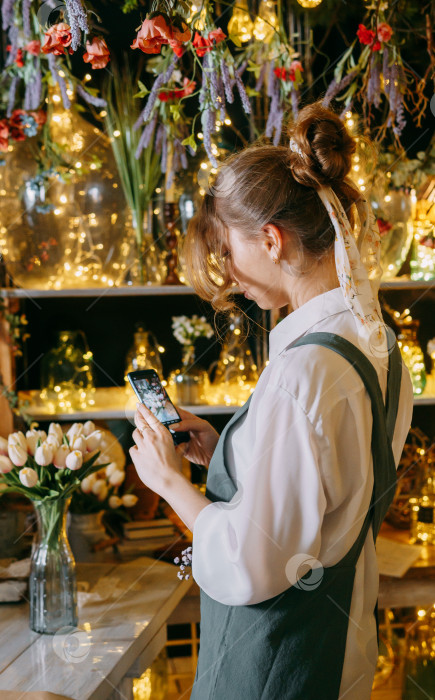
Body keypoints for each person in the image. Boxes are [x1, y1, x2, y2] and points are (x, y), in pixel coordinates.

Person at [129, 102, 413, 700]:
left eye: (228, 250)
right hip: (336, 648)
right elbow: (333, 497)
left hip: (273, 668)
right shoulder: (377, 343)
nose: (227, 273)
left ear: (271, 240)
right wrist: (224, 451)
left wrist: (172, 483)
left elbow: (253, 563)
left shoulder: (301, 373)